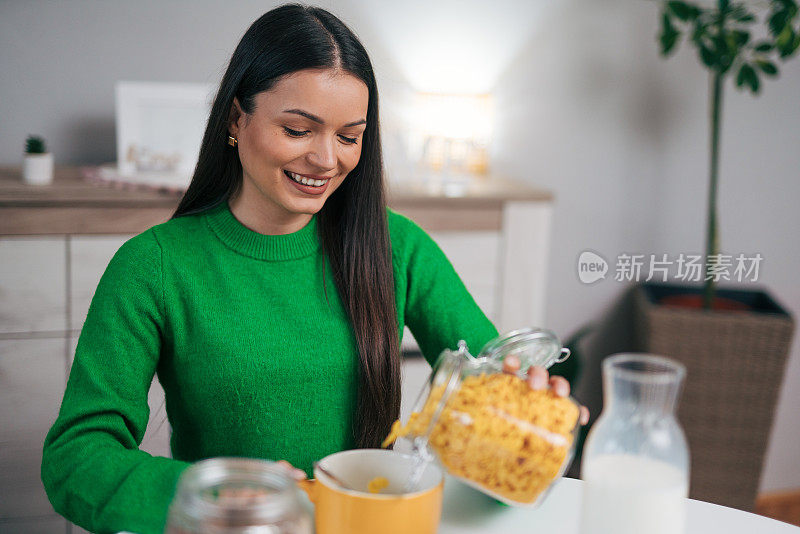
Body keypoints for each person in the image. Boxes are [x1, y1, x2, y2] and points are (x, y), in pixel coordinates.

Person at [41, 4, 588, 533]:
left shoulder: (398, 246)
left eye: (349, 137)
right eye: (299, 130)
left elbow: (492, 376)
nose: (328, 160)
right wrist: (211, 497)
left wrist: (528, 403)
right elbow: (76, 458)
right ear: (237, 118)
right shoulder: (155, 267)